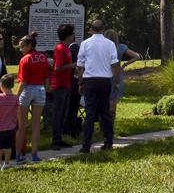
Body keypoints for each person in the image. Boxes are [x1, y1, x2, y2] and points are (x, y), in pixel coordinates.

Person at [75, 19, 120, 153]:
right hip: (105, 80)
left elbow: (80, 65)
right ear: (103, 29)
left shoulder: (85, 43)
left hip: (90, 80)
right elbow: (114, 63)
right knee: (104, 112)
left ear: (91, 30)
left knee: (90, 113)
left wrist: (80, 82)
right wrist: (117, 81)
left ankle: (86, 145)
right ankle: (108, 141)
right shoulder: (110, 44)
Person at [15, 33, 49, 163]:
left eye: (22, 46)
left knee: (22, 125)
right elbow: (46, 78)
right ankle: (35, 155)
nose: (21, 49)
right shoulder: (43, 57)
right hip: (40, 90)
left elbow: (22, 82)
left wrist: (15, 97)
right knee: (36, 125)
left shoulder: (25, 59)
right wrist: (44, 90)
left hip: (27, 90)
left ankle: (18, 155)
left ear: (29, 45)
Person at [104, 29, 142, 118]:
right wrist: (125, 64)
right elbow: (137, 56)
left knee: (104, 100)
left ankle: (103, 123)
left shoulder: (102, 48)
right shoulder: (121, 47)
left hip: (104, 74)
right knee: (113, 100)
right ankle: (111, 124)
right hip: (117, 74)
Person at [51, 24, 77, 149]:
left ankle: (60, 137)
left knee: (63, 113)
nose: (74, 35)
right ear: (68, 35)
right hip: (60, 85)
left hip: (66, 84)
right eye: (72, 33)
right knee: (58, 113)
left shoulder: (67, 48)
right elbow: (57, 68)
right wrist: (72, 65)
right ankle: (55, 139)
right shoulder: (61, 48)